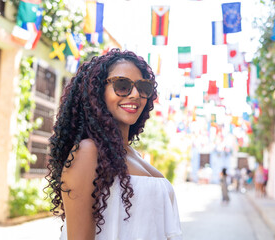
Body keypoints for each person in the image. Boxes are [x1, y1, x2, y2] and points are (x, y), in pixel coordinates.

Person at [46, 49, 182, 240]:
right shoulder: (88, 152)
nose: (135, 94)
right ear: (97, 91)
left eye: (143, 87)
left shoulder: (131, 155)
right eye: (122, 85)